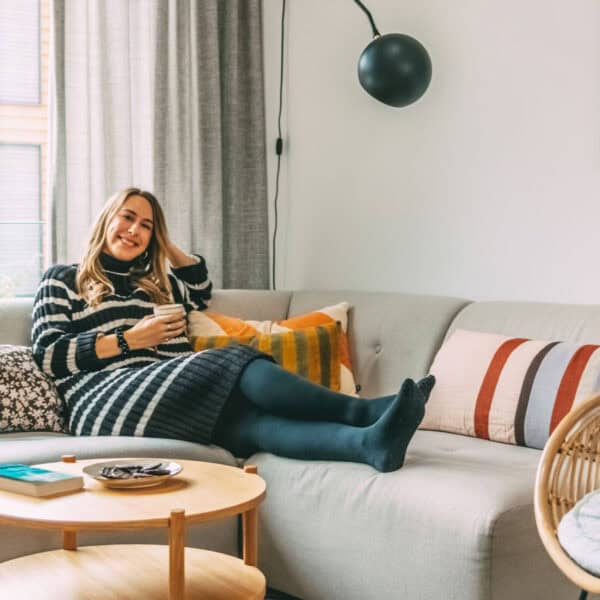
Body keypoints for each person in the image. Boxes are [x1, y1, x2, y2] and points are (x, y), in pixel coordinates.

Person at [32, 187, 434, 473]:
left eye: (147, 226)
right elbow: (48, 356)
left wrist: (165, 243)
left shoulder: (154, 286)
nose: (134, 230)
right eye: (127, 217)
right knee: (236, 360)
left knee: (249, 426)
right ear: (107, 218)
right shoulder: (63, 278)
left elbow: (200, 285)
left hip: (163, 391)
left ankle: (370, 445)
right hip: (99, 400)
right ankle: (362, 411)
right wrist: (130, 340)